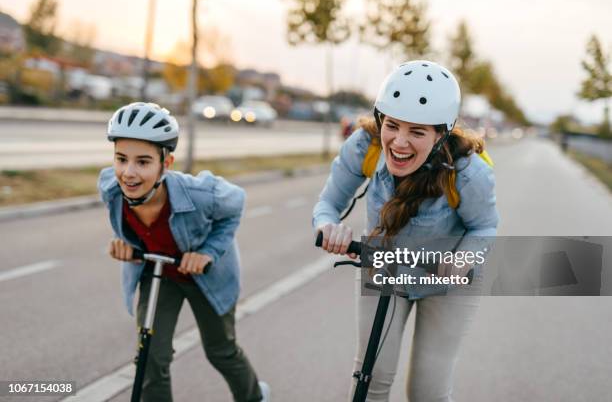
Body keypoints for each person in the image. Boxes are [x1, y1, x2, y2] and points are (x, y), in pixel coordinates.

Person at [313, 60, 499, 401]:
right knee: (370, 379)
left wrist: (462, 260)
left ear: (440, 133)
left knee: (426, 391)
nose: (399, 142)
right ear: (381, 119)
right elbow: (327, 205)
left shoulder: (468, 172)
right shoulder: (364, 146)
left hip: (446, 279)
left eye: (417, 132)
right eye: (393, 125)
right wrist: (329, 227)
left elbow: (485, 226)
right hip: (384, 267)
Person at [97, 102, 270, 402]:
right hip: (159, 273)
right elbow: (125, 227)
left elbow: (236, 204)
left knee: (221, 351)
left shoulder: (201, 193)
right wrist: (121, 242)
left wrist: (207, 252)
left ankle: (255, 397)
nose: (128, 173)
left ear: (166, 164)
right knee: (150, 355)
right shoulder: (111, 188)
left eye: (143, 162)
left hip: (206, 276)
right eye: (121, 159)